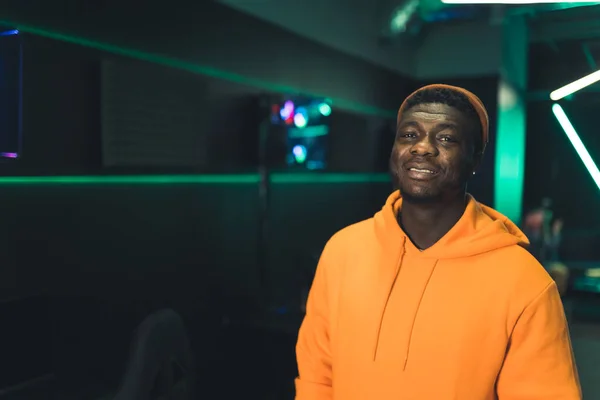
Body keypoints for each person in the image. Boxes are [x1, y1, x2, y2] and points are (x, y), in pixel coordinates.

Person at [295, 84, 581, 399]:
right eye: (409, 135)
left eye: (446, 138)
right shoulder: (342, 250)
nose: (423, 148)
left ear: (476, 159)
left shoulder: (525, 282)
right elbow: (316, 377)